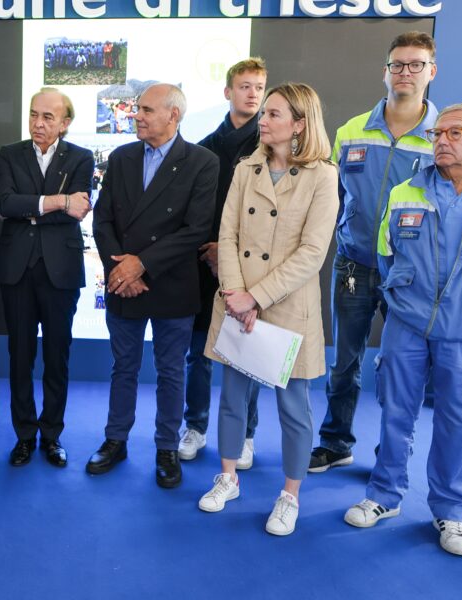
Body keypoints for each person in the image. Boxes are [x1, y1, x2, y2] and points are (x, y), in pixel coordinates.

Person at [344, 103, 462, 557]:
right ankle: (384, 495)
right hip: (408, 323)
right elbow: (385, 255)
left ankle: (450, 511)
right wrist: (404, 302)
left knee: (458, 420)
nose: (441, 139)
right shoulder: (404, 192)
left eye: (455, 132)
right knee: (395, 412)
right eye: (439, 132)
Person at [198, 83, 337, 536]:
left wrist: (256, 298)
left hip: (287, 306)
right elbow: (229, 235)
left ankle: (290, 495)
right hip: (238, 303)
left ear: (300, 124)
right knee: (232, 398)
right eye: (265, 113)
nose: (264, 119)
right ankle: (228, 478)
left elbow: (313, 253)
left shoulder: (323, 176)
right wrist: (237, 295)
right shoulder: (245, 168)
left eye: (274, 114)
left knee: (294, 408)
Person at [311, 31, 439, 472]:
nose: (405, 72)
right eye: (398, 64)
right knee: (344, 361)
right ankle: (335, 441)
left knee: (400, 370)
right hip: (353, 263)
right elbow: (329, 195)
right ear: (385, 71)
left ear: (431, 72)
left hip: (408, 275)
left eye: (415, 64)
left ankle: (391, 454)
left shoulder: (441, 139)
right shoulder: (351, 131)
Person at [88, 83, 217, 489]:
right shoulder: (123, 157)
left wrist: (141, 264)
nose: (136, 116)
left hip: (171, 283)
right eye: (137, 109)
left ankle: (166, 447)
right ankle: (115, 439)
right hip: (123, 282)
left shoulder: (202, 162)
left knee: (170, 371)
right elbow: (103, 219)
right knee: (122, 367)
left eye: (145, 109)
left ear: (173, 115)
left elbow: (196, 229)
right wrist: (121, 271)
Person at [0, 87, 94, 468]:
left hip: (61, 271)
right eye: (34, 114)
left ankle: (52, 435)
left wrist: (32, 208)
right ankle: (24, 436)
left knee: (57, 356)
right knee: (19, 356)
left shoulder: (81, 159)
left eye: (48, 117)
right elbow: (4, 203)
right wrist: (57, 201)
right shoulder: (9, 154)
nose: (38, 123)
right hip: (16, 271)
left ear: (65, 123)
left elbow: (80, 208)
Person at [179, 57, 267, 467]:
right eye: (245, 85)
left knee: (246, 355)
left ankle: (245, 435)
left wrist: (229, 256)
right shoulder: (202, 149)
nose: (252, 93)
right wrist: (211, 250)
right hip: (202, 267)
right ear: (227, 92)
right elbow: (192, 214)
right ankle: (194, 426)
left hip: (250, 273)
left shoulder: (271, 149)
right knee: (198, 354)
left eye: (259, 87)